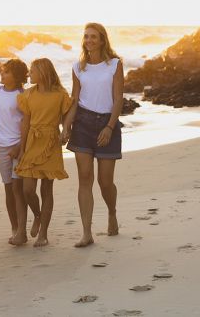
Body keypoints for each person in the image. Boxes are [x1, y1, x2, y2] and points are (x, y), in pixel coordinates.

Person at [63, 22, 124, 248]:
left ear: (102, 40)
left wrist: (109, 127)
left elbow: (118, 98)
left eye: (93, 37)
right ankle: (87, 232)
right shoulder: (78, 67)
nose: (89, 40)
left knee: (105, 182)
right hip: (83, 124)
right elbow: (75, 99)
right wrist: (66, 126)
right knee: (85, 177)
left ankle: (112, 212)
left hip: (107, 123)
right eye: (86, 36)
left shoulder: (114, 65)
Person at [0, 59, 41, 244]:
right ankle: (15, 228)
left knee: (18, 188)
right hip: (0, 146)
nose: (2, 74)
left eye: (6, 72)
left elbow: (28, 122)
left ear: (16, 77)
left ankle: (25, 228)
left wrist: (20, 147)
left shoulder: (23, 94)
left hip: (19, 145)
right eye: (3, 71)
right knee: (8, 188)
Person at [15, 58, 73, 247]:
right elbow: (25, 122)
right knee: (28, 190)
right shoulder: (28, 95)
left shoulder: (60, 95)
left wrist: (66, 131)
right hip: (32, 141)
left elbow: (66, 119)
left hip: (51, 142)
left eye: (32, 71)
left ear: (43, 72)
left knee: (47, 190)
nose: (29, 74)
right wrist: (22, 148)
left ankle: (43, 234)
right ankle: (38, 216)